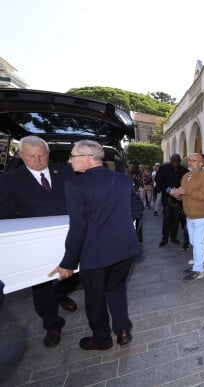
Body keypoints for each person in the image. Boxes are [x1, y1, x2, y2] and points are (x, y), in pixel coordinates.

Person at [49, 140, 142, 350]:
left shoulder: (75, 186)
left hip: (96, 253)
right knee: (116, 289)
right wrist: (118, 223)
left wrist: (68, 263)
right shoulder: (122, 180)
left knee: (95, 298)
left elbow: (78, 228)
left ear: (88, 158)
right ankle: (123, 330)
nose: (69, 160)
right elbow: (137, 208)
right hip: (125, 248)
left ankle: (102, 339)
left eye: (73, 156)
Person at [0, 135, 78, 348]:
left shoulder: (65, 171)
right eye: (31, 156)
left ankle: (60, 295)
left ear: (48, 154)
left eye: (41, 156)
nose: (37, 160)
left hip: (69, 236)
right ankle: (52, 324)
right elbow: (5, 215)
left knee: (73, 276)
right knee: (41, 284)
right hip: (34, 243)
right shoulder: (10, 180)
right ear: (22, 156)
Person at [171, 153, 204, 281]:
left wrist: (186, 192)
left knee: (199, 242)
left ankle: (199, 270)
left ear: (201, 163)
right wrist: (177, 194)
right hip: (189, 214)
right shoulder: (186, 176)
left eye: (194, 160)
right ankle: (197, 264)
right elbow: (183, 195)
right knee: (193, 242)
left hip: (201, 215)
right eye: (189, 160)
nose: (190, 162)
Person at [155, 154, 189, 247]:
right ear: (171, 160)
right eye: (174, 161)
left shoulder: (184, 170)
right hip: (167, 197)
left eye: (178, 161)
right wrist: (170, 190)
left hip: (179, 198)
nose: (176, 163)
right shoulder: (163, 168)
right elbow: (159, 181)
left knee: (176, 218)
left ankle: (173, 237)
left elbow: (187, 182)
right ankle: (164, 239)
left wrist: (179, 191)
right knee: (166, 218)